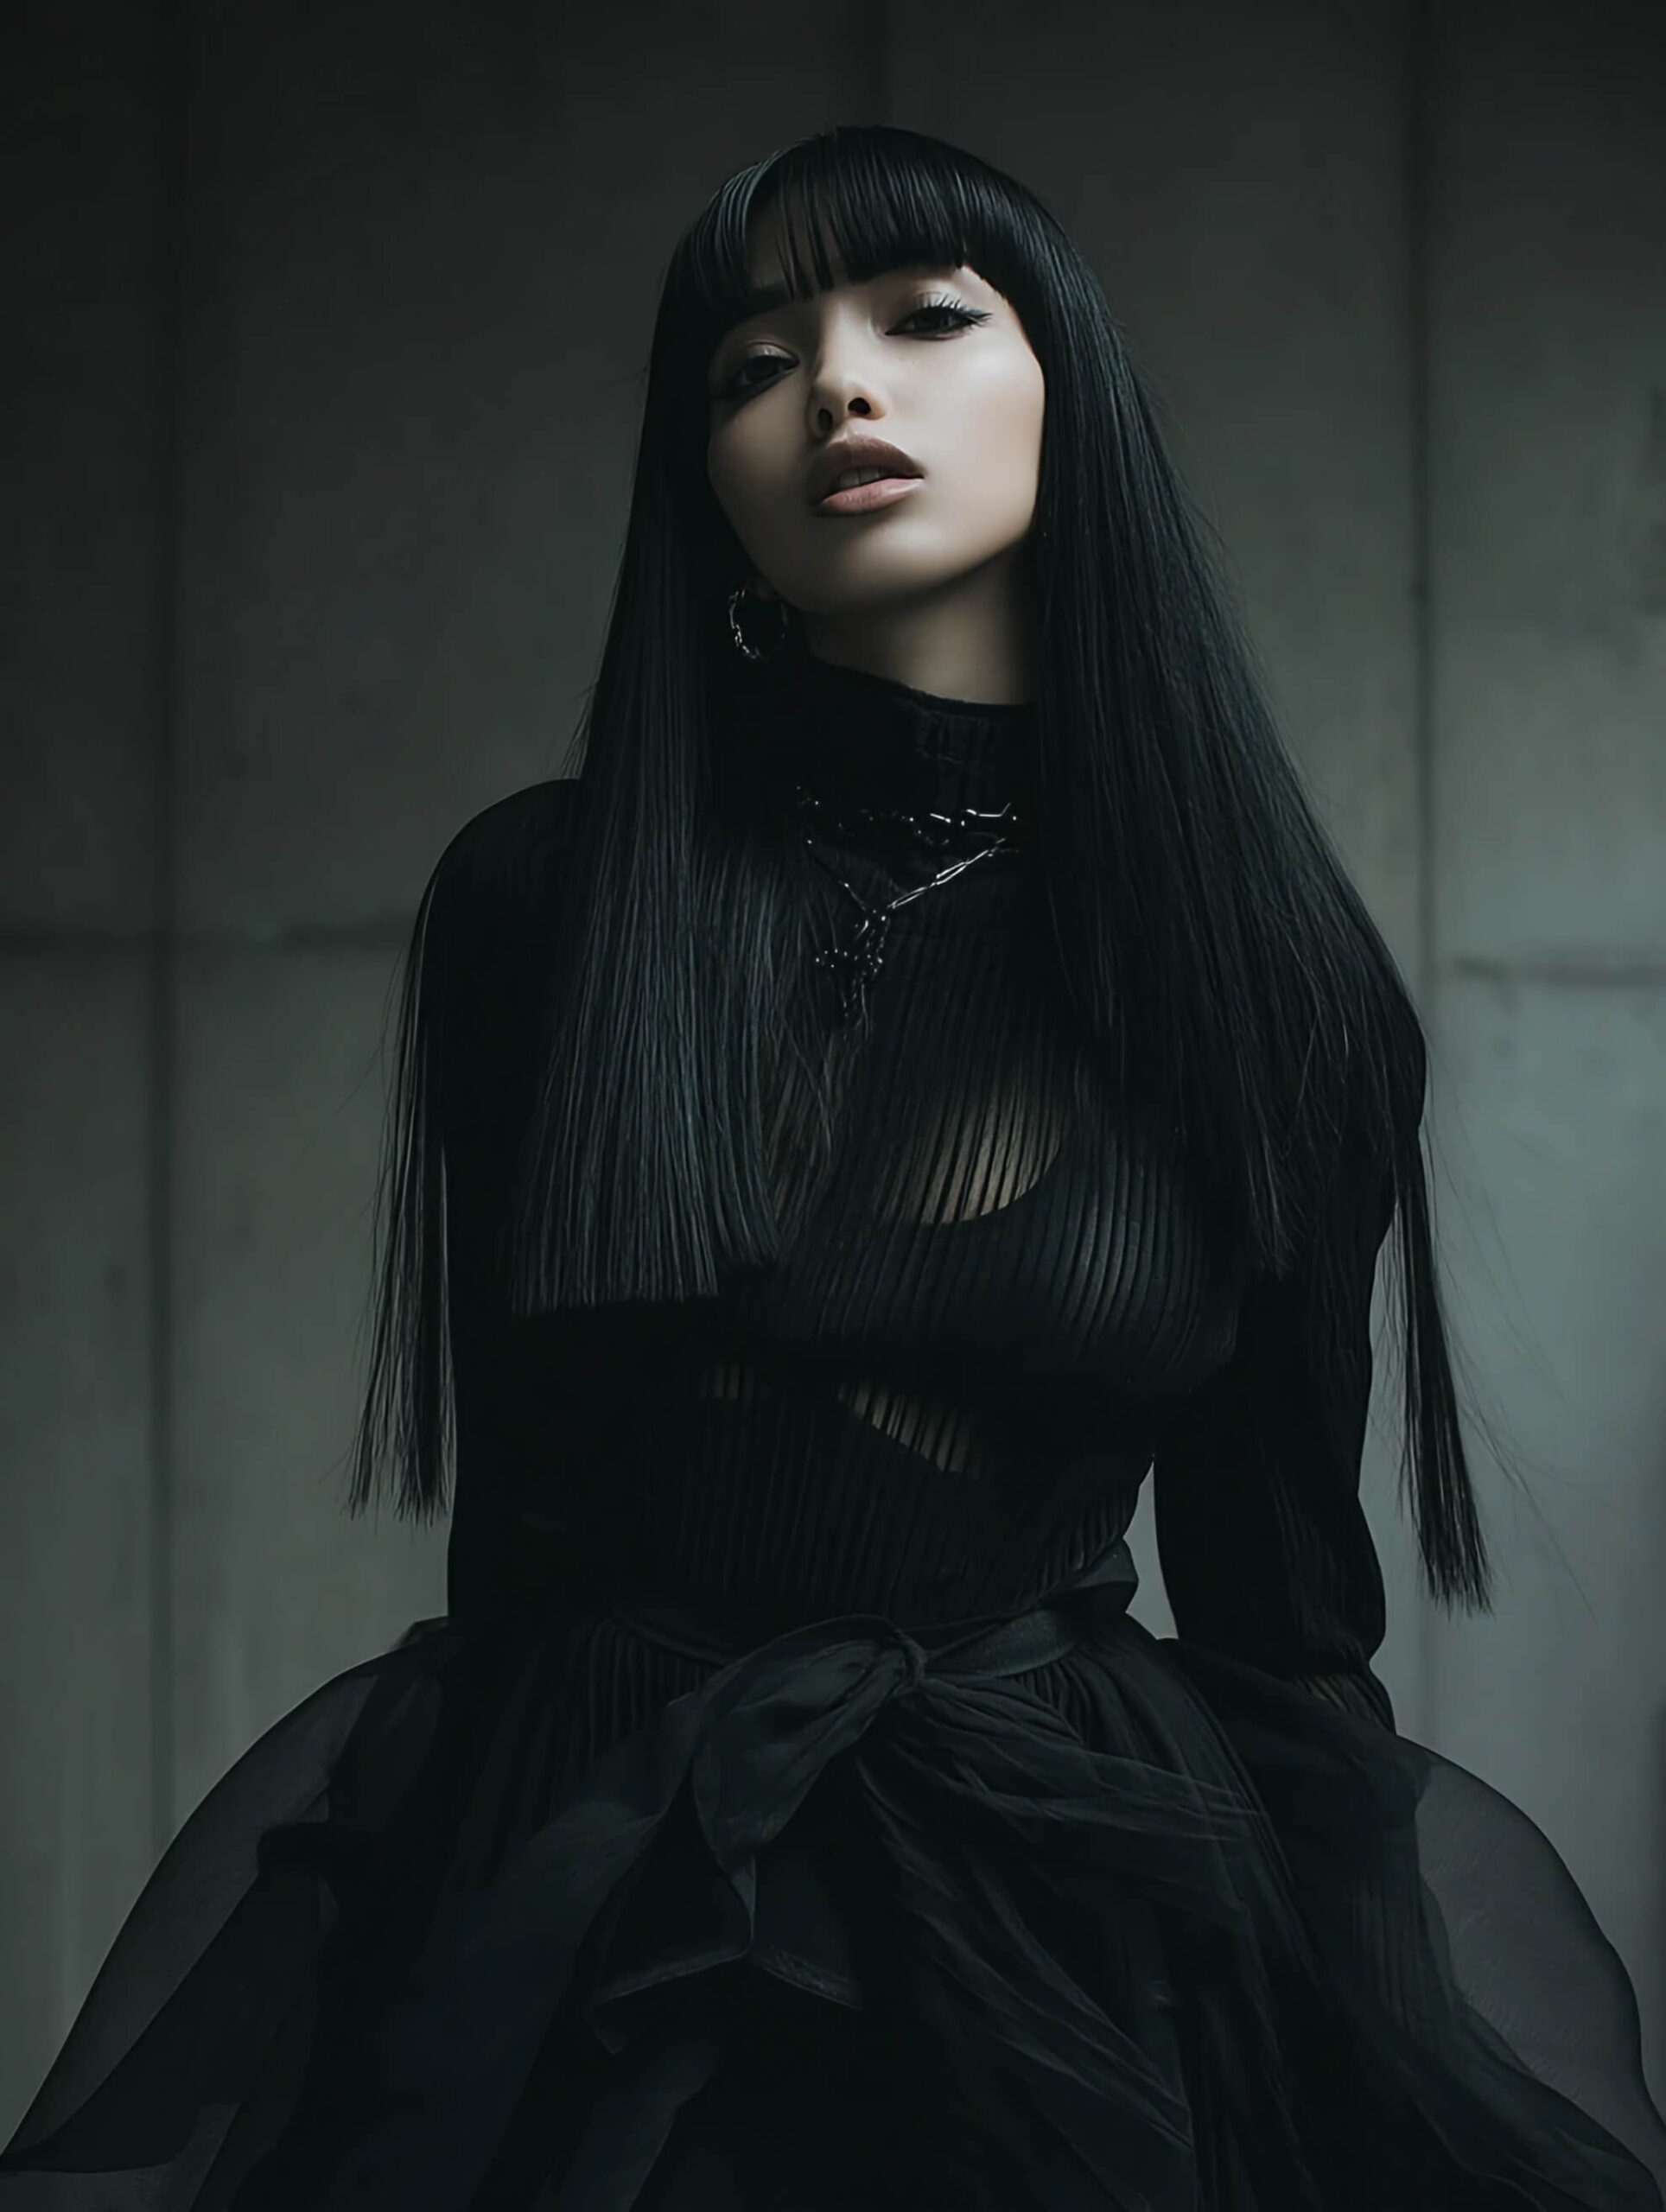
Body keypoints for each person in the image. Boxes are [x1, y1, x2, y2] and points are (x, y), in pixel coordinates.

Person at [2, 120, 1663, 2212]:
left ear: (1074, 393)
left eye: (923, 317)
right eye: (749, 358)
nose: (835, 387)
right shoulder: (545, 901)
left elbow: (1276, 1611)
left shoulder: (1264, 975)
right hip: (597, 1866)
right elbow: (519, 1542)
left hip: (1071, 1908)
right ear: (700, 474)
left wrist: (1355, 2061)